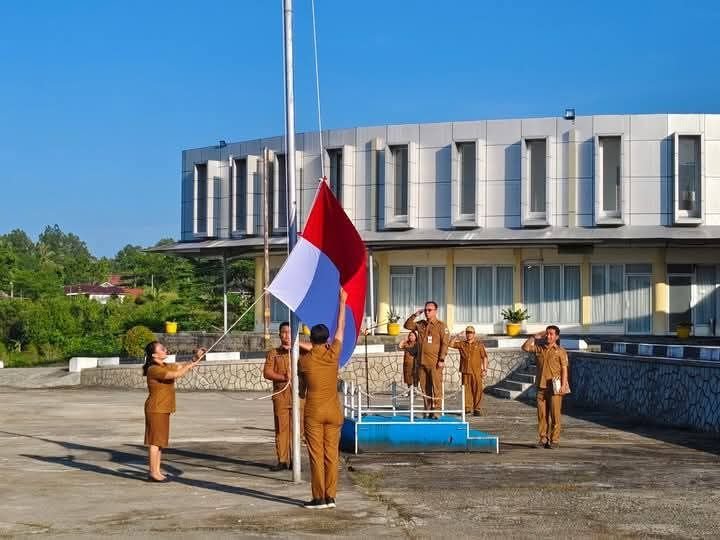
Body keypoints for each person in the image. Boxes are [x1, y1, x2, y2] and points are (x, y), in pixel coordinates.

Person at [299, 288, 348, 509]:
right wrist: (342, 302)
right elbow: (341, 328)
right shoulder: (333, 354)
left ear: (311, 339)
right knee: (331, 455)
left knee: (316, 455)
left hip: (314, 411)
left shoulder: (305, 362)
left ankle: (318, 497)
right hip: (333, 411)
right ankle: (331, 496)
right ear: (326, 339)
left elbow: (302, 388)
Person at [143, 341, 205, 482]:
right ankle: (153, 472)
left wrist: (195, 358)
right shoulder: (154, 369)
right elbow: (175, 374)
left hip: (163, 408)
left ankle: (157, 471)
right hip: (156, 408)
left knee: (160, 442)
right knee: (154, 442)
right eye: (162, 348)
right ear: (154, 354)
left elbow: (179, 366)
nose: (165, 349)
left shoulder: (164, 366)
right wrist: (189, 366)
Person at [263, 322, 311, 472]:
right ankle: (282, 460)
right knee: (281, 429)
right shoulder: (273, 353)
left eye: (290, 333)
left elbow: (314, 348)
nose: (286, 336)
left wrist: (295, 345)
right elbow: (267, 372)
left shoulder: (301, 351)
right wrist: (283, 376)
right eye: (284, 332)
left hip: (298, 396)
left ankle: (295, 460)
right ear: (279, 334)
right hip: (281, 396)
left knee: (298, 430)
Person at [521, 326, 570, 449]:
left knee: (555, 415)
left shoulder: (560, 351)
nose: (548, 336)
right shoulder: (539, 349)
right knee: (542, 415)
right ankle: (543, 439)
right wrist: (533, 337)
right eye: (547, 334)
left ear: (557, 337)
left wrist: (564, 385)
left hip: (555, 387)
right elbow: (525, 347)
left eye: (551, 334)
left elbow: (564, 369)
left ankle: (554, 440)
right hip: (541, 386)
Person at [404, 301, 449, 419]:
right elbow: (407, 325)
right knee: (425, 389)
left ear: (435, 311)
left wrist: (442, 359)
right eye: (425, 310)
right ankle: (428, 410)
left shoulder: (441, 325)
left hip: (435, 363)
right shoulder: (421, 324)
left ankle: (437, 411)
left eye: (429, 310)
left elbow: (445, 344)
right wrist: (415, 314)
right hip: (422, 362)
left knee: (436, 387)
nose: (427, 312)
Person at [449, 326, 488, 416]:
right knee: (466, 390)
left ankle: (477, 409)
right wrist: (457, 335)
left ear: (474, 334)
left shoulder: (479, 344)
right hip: (465, 371)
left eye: (470, 333)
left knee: (478, 390)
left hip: (477, 371)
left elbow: (484, 357)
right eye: (467, 333)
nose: (469, 334)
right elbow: (450, 344)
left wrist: (485, 369)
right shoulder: (462, 344)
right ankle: (467, 408)